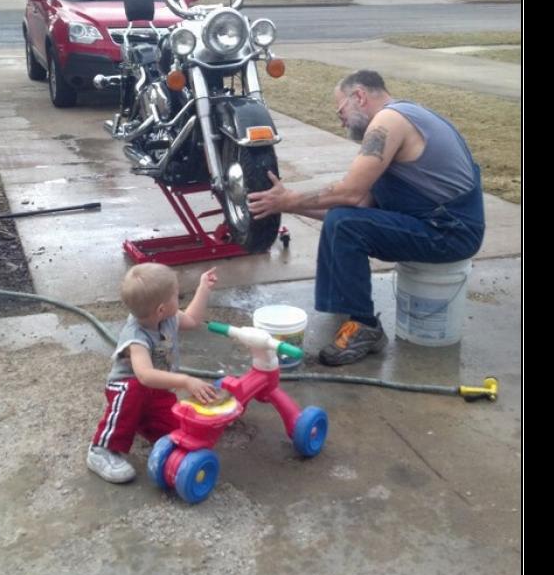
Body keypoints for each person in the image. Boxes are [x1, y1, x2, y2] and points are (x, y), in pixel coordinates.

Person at [248, 70, 485, 366]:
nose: (341, 120)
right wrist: (286, 205)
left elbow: (349, 193)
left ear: (359, 96)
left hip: (451, 232)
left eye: (341, 110)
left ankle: (365, 325)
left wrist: (292, 198)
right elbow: (359, 201)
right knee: (343, 220)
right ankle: (345, 310)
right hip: (435, 223)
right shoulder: (402, 121)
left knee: (345, 224)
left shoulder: (389, 121)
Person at [87, 263, 219, 483]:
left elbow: (193, 320)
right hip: (127, 390)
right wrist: (186, 381)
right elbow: (145, 376)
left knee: (179, 433)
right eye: (176, 296)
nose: (179, 299)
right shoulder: (136, 337)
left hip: (157, 392)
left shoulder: (168, 317)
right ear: (160, 309)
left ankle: (137, 421)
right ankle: (101, 449)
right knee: (135, 390)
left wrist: (204, 287)